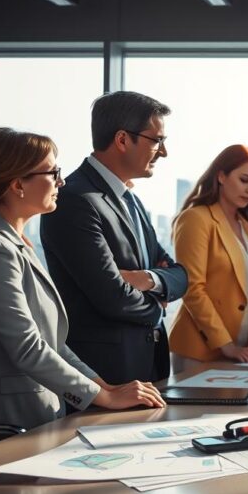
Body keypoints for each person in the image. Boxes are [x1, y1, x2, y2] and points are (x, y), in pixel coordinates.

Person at [0, 128, 165, 429]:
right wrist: (104, 398)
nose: (61, 182)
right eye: (53, 173)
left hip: (33, 414)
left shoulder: (15, 240)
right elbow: (27, 347)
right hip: (1, 421)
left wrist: (105, 389)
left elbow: (52, 342)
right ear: (17, 184)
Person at [40, 91, 188, 384]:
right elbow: (112, 297)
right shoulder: (75, 200)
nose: (163, 152)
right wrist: (156, 308)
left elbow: (179, 274)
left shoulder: (130, 199)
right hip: (105, 375)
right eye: (157, 140)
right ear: (122, 139)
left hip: (146, 369)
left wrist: (148, 278)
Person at [169, 145, 248, 372]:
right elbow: (193, 288)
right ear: (221, 176)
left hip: (244, 351)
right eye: (245, 180)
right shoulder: (196, 219)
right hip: (200, 351)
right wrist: (226, 345)